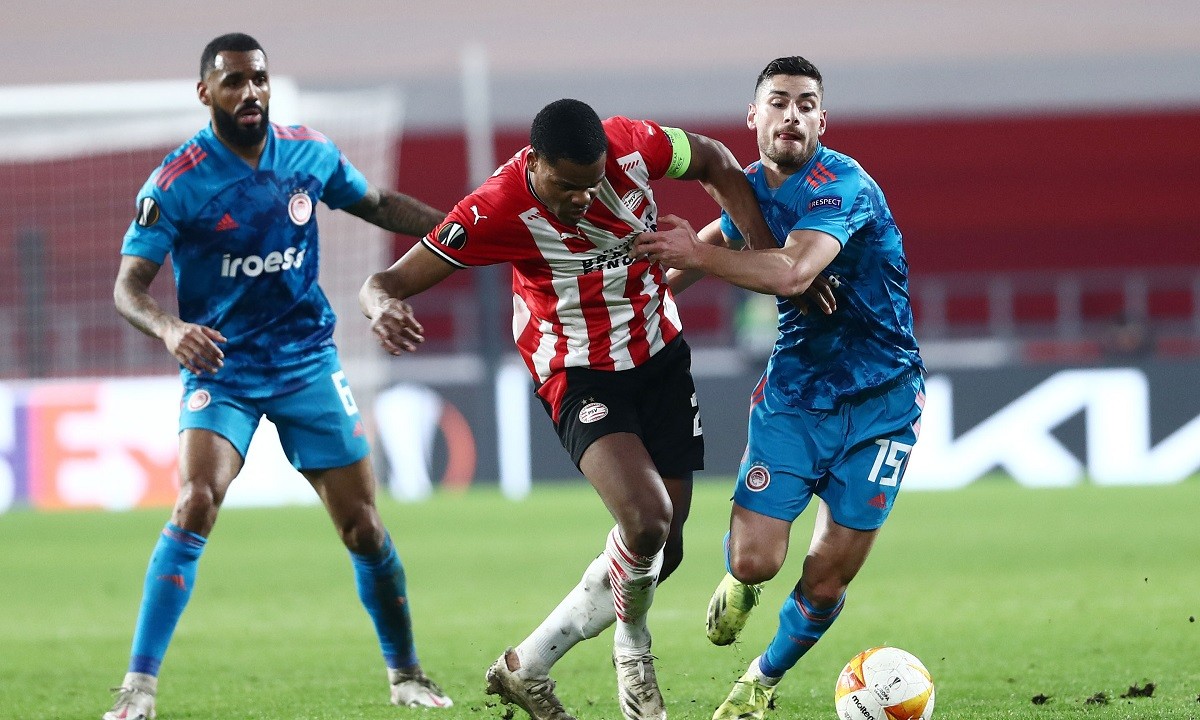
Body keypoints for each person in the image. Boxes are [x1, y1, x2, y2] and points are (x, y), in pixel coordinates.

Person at [360, 98, 777, 720]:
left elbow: (716, 159)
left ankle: (526, 667)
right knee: (646, 522)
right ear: (535, 163)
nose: (583, 198)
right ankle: (633, 650)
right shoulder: (495, 208)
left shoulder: (633, 144)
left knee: (664, 551)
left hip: (659, 354)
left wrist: (767, 257)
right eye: (567, 186)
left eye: (592, 182)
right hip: (577, 372)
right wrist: (382, 307)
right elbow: (385, 282)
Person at [105, 32, 452, 720]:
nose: (250, 93)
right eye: (234, 81)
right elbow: (127, 288)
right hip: (224, 368)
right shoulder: (175, 183)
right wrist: (171, 330)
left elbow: (379, 204)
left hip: (306, 361)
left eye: (258, 79)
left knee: (363, 526)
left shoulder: (308, 154)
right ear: (205, 93)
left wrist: (463, 231)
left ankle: (407, 675)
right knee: (195, 501)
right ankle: (137, 689)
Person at [632, 56, 926, 720]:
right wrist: (644, 294)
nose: (792, 114)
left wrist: (698, 254)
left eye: (806, 104)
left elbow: (793, 272)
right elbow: (705, 249)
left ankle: (760, 682)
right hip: (795, 397)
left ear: (822, 120)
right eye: (779, 101)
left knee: (826, 578)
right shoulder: (749, 192)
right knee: (755, 561)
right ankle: (742, 583)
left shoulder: (842, 184)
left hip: (883, 404)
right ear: (754, 115)